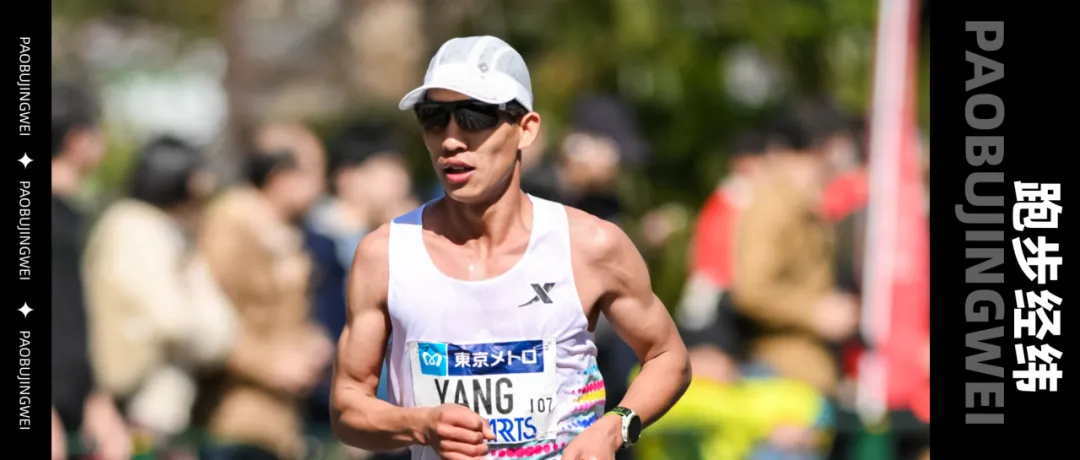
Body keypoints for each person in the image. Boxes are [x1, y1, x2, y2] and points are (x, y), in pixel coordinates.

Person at [330, 36, 691, 460]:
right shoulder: (385, 254)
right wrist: (420, 424)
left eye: (473, 116)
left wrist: (614, 428)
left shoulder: (589, 244)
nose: (450, 139)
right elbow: (347, 406)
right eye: (433, 117)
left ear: (526, 129)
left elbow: (669, 357)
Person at [194, 123, 335, 460]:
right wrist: (269, 364)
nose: (321, 186)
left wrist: (310, 341)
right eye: (314, 173)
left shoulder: (288, 228)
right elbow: (204, 320)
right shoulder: (230, 223)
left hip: (283, 425)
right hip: (233, 420)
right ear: (278, 175)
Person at [82, 135, 237, 440]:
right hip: (137, 409)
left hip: (157, 409)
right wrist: (215, 335)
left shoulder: (161, 230)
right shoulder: (137, 228)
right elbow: (174, 321)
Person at [50, 78, 132, 460]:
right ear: (78, 140)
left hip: (75, 404)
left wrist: (94, 397)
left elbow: (72, 320)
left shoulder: (70, 216)